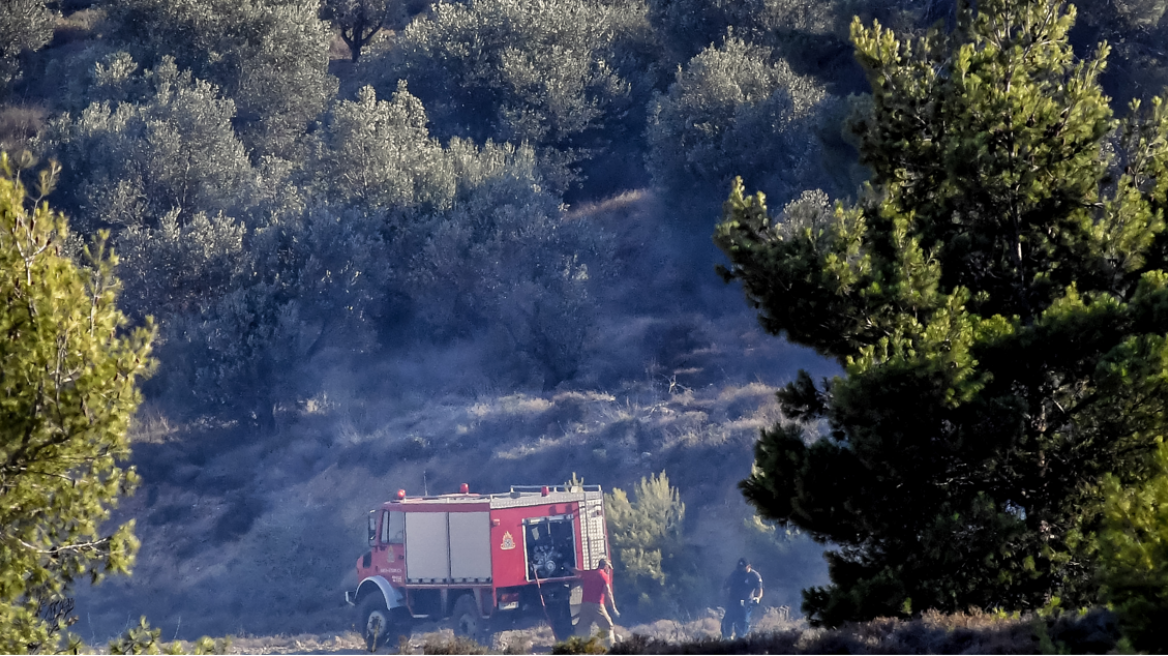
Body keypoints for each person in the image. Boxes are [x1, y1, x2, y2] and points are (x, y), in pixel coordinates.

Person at [570, 558, 620, 647]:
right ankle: (611, 648)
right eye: (608, 567)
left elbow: (577, 572)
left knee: (583, 627)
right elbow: (608, 593)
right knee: (607, 626)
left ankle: (581, 648)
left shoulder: (589, 573)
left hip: (585, 605)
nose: (608, 570)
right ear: (605, 566)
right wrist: (614, 608)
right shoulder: (603, 576)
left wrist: (567, 566)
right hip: (597, 605)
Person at [721, 558, 763, 639]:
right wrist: (724, 595)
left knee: (743, 624)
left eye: (743, 568)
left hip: (746, 602)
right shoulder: (735, 574)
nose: (741, 570)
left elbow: (759, 590)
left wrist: (758, 598)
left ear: (749, 566)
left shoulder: (754, 576)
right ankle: (726, 639)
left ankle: (740, 640)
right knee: (727, 621)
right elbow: (725, 586)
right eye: (739, 568)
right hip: (733, 601)